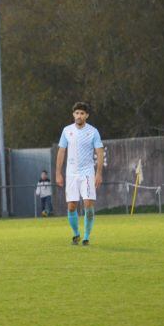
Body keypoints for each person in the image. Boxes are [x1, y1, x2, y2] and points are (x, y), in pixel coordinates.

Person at [55, 102, 103, 245]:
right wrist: (58, 173)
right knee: (71, 206)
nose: (79, 116)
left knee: (88, 204)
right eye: (77, 113)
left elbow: (99, 152)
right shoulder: (66, 131)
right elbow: (61, 151)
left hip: (87, 172)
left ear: (86, 115)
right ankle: (76, 234)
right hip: (71, 173)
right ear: (73, 114)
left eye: (82, 113)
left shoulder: (93, 131)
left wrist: (99, 173)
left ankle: (87, 236)